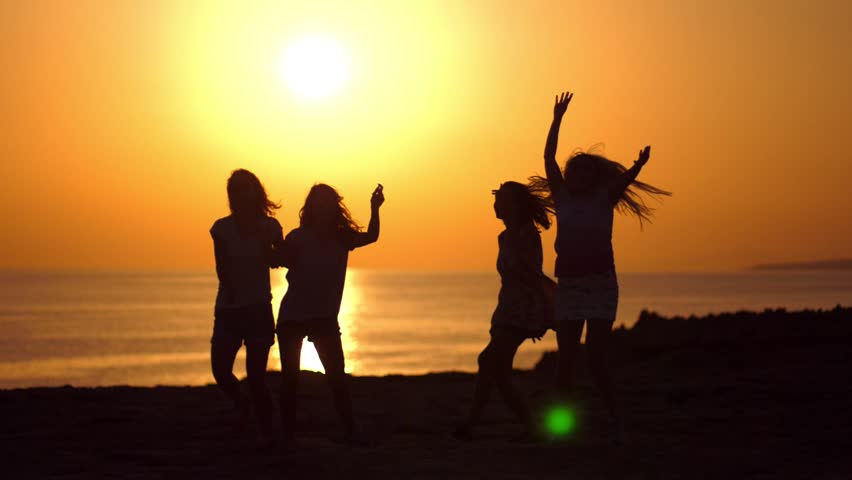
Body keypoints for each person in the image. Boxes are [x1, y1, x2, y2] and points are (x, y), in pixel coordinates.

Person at [543, 91, 671, 442]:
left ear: (594, 178)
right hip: (569, 284)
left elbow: (624, 181)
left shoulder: (604, 198)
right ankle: (559, 425)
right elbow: (549, 158)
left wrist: (638, 167)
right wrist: (557, 119)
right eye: (574, 172)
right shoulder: (563, 198)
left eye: (585, 173)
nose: (578, 177)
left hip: (600, 284)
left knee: (597, 360)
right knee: (565, 359)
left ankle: (615, 417)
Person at [272, 183, 384, 446]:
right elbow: (277, 258)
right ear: (310, 208)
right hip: (293, 315)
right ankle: (288, 435)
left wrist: (375, 209)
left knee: (336, 376)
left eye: (327, 203)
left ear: (334, 208)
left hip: (323, 317)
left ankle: (350, 430)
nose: (322, 208)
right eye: (317, 204)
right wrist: (271, 244)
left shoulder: (342, 237)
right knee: (290, 379)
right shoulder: (298, 237)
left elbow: (372, 236)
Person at [453, 180, 555, 442]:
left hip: (522, 310)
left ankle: (471, 423)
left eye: (502, 200)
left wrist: (547, 309)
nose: (496, 205)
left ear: (516, 206)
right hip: (506, 308)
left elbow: (532, 274)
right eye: (496, 199)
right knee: (499, 372)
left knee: (488, 361)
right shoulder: (504, 237)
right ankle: (530, 426)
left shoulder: (527, 235)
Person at [210, 169, 285, 445]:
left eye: (245, 188)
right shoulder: (221, 228)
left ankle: (267, 432)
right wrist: (230, 290)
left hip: (257, 310)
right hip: (229, 309)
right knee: (220, 370)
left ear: (255, 191)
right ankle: (241, 404)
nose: (240, 194)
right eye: (235, 190)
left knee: (256, 377)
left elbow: (281, 257)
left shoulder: (270, 227)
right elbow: (221, 266)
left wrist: (274, 254)